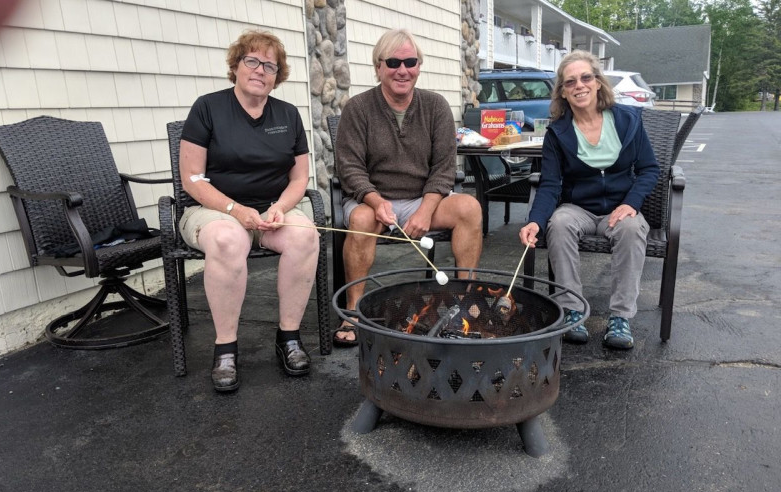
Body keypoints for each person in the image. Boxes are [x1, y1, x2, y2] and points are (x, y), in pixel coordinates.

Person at [179, 30, 320, 391]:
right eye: (252, 61)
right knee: (228, 241)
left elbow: (299, 176)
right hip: (216, 210)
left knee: (305, 237)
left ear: (278, 74)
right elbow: (192, 179)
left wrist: (280, 208)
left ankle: (288, 338)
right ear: (237, 66)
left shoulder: (288, 115)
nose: (260, 70)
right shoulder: (207, 108)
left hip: (274, 209)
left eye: (269, 65)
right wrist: (235, 209)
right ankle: (225, 348)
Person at [333, 29, 483, 347]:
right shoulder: (357, 109)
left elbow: (444, 168)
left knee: (470, 207)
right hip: (371, 200)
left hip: (421, 198)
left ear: (419, 66)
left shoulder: (436, 106)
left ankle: (463, 302)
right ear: (379, 67)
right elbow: (349, 169)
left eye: (410, 61)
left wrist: (427, 210)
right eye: (393, 62)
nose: (403, 70)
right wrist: (375, 201)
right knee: (361, 220)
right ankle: (353, 313)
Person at [518, 50, 660, 350]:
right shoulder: (558, 132)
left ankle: (620, 318)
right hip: (578, 208)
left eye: (585, 78)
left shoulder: (627, 121)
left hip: (620, 208)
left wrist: (631, 203)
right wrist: (534, 220)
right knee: (559, 222)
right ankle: (571, 311)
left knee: (633, 229)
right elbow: (550, 184)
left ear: (598, 83)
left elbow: (649, 169)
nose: (579, 85)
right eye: (570, 82)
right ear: (563, 92)